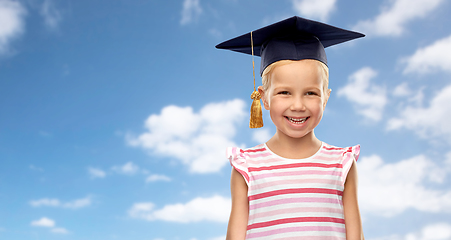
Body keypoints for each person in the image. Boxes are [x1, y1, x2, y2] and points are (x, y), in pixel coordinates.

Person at [216, 16, 365, 240]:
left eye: (311, 93)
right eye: (284, 92)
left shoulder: (342, 163)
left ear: (326, 98)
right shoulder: (246, 166)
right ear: (263, 98)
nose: (297, 105)